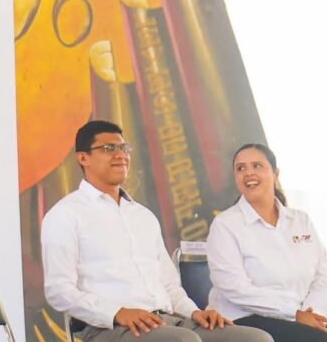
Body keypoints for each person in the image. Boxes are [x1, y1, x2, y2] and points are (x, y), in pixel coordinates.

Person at [41, 120, 271, 342]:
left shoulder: (143, 216)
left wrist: (194, 313)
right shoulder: (65, 215)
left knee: (256, 338)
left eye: (124, 148)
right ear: (83, 158)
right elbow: (59, 291)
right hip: (108, 328)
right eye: (109, 148)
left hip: (167, 322)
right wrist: (117, 312)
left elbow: (170, 285)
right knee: (183, 340)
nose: (121, 155)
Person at [207, 143, 327, 342]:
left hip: (297, 318)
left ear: (275, 174)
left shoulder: (301, 220)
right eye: (241, 168)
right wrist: (294, 312)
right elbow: (235, 288)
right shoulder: (225, 225)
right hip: (242, 320)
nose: (248, 173)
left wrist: (313, 312)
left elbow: (323, 278)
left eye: (257, 166)